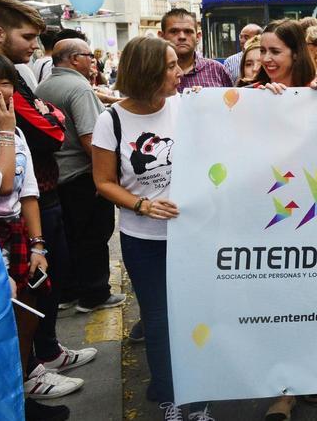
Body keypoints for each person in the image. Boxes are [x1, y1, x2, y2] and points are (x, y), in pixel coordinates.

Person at [0, 52, 89, 416]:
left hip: (19, 234)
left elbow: (28, 191)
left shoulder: (14, 130)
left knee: (32, 308)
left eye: (5, 83)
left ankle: (24, 382)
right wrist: (2, 132)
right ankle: (8, 396)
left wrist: (38, 245)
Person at [91, 36, 202, 420]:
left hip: (195, 236)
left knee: (198, 316)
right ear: (147, 73)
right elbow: (103, 181)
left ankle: (200, 398)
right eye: (170, 66)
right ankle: (171, 396)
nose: (179, 72)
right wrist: (142, 204)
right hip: (145, 241)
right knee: (159, 319)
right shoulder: (112, 120)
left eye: (177, 64)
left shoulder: (186, 106)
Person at [0, 0, 87, 385]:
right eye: (27, 36)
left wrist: (45, 116)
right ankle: (28, 371)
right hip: (10, 208)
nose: (34, 46)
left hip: (38, 193)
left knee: (43, 280)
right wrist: (43, 117)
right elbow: (49, 131)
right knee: (25, 290)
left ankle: (46, 354)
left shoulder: (18, 74)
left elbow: (47, 121)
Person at [36, 39, 124, 320]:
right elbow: (91, 139)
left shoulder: (44, 86)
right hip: (83, 175)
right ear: (75, 59)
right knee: (94, 235)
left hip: (57, 176)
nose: (94, 61)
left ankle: (71, 291)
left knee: (72, 237)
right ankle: (95, 293)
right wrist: (108, 177)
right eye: (90, 55)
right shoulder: (79, 88)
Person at [252, 20, 317, 98]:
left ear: (296, 53)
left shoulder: (315, 91)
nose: (266, 59)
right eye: (262, 51)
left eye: (275, 52)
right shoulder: (252, 92)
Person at [159, 8, 232, 91]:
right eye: (174, 31)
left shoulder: (217, 70)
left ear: (198, 36)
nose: (182, 37)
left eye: (188, 31)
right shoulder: (151, 74)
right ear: (161, 36)